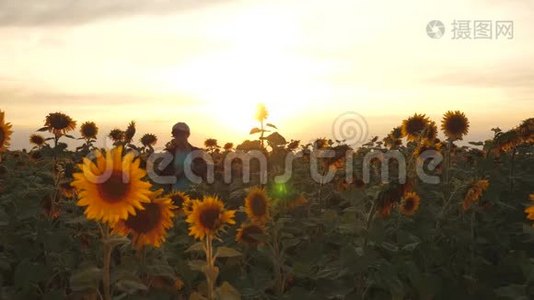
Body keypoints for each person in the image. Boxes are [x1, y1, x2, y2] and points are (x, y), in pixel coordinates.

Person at [162, 122, 207, 191]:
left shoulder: (197, 152)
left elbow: (204, 171)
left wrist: (195, 168)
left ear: (187, 135)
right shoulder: (170, 153)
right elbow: (164, 176)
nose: (179, 137)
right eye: (176, 135)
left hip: (195, 192)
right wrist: (182, 172)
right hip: (177, 193)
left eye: (182, 135)